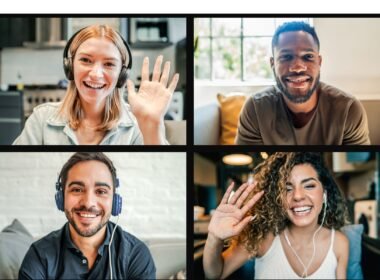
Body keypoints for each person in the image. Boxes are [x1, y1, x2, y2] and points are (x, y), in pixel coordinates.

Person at [13, 24, 179, 145]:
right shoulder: (41, 120)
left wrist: (152, 124)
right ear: (70, 67)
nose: (95, 74)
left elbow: (153, 171)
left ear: (122, 75)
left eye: (109, 64)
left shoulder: (137, 124)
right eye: (85, 60)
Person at [203, 152, 349, 279]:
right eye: (287, 189)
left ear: (324, 193)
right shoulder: (263, 238)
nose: (297, 196)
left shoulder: (339, 243)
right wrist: (214, 237)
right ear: (277, 198)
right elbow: (215, 274)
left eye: (309, 185)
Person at [19, 152, 156, 279]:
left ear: (115, 201)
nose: (88, 203)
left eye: (101, 191)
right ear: (61, 198)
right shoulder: (39, 255)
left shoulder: (135, 254)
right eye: (77, 190)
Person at [236, 21, 370, 145]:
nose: (297, 67)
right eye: (286, 57)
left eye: (308, 57)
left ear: (319, 62)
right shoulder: (255, 109)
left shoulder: (348, 110)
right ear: (273, 64)